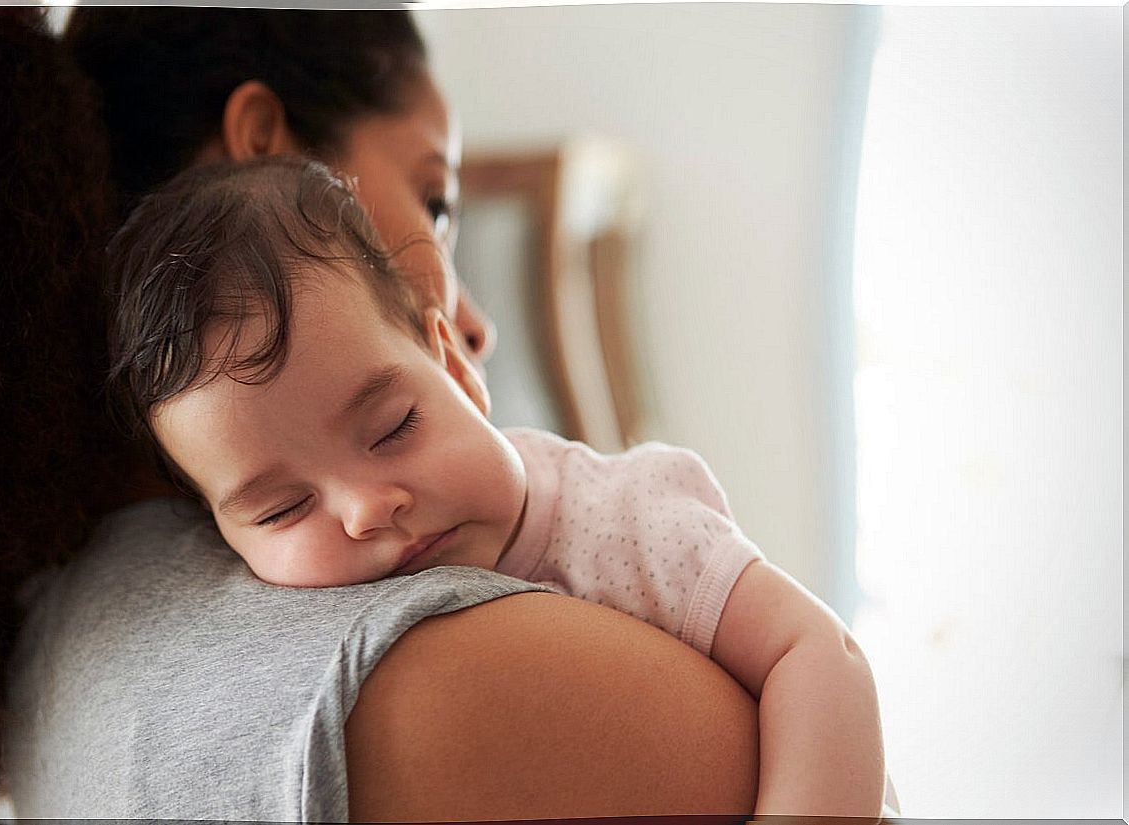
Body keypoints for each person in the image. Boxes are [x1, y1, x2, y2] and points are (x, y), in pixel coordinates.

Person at [0, 7, 766, 818]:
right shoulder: (443, 682)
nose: (476, 327)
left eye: (389, 426)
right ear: (267, 149)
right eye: (434, 203)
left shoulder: (52, 654)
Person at [105, 155, 887, 818]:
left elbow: (821, 655)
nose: (367, 507)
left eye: (391, 428)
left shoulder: (625, 515)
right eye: (283, 507)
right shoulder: (299, 628)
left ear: (452, 365)